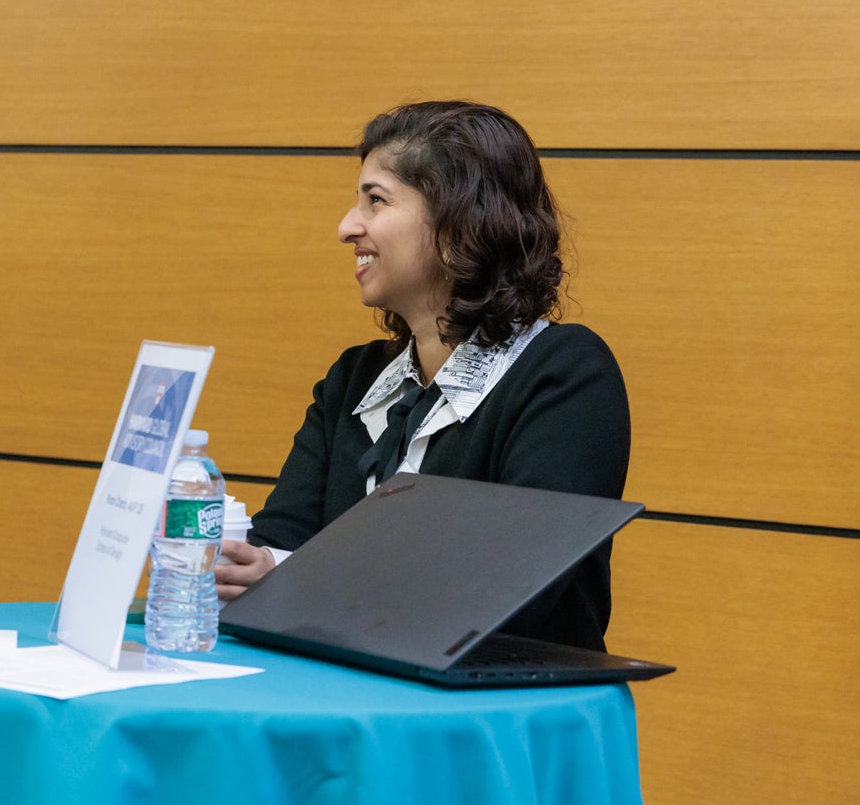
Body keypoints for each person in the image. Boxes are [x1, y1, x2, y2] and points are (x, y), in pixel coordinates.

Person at [215, 101, 629, 651]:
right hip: (353, 694)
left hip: (495, 717)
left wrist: (296, 583)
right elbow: (280, 543)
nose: (346, 227)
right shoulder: (354, 379)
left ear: (460, 225)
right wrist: (246, 567)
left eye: (376, 200)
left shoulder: (565, 374)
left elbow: (513, 594)